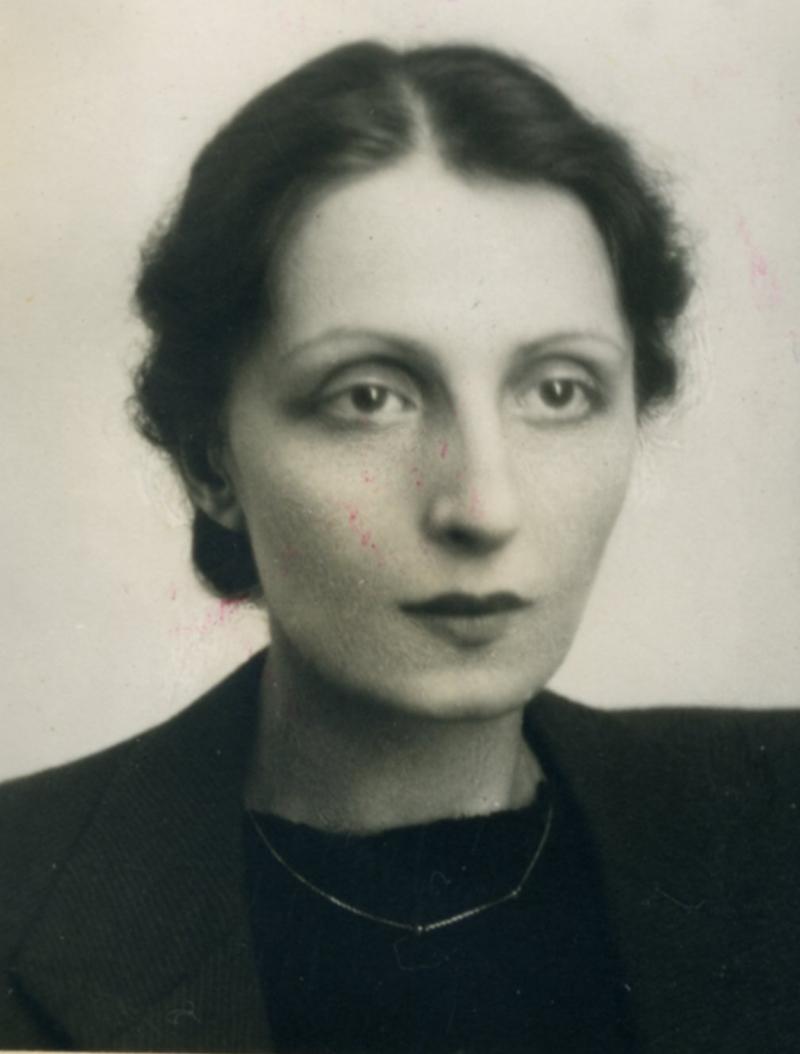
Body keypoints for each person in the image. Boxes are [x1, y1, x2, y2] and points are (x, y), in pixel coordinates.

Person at [1, 39, 798, 1054]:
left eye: (558, 390)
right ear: (211, 462)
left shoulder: (770, 823)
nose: (482, 505)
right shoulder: (25, 889)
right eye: (369, 396)